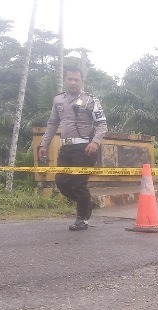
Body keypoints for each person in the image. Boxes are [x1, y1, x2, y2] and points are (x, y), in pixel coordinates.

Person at [38, 66, 107, 231]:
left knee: (78, 183)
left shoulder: (90, 100)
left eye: (77, 79)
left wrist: (95, 142)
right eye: (70, 79)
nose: (73, 82)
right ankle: (86, 203)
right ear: (65, 80)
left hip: (85, 148)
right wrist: (44, 144)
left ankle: (82, 218)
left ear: (82, 81)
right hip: (66, 148)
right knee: (61, 181)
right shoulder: (58, 100)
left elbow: (102, 124)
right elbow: (52, 123)